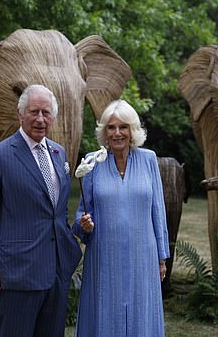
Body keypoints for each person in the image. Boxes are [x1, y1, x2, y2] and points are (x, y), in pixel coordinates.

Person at [0, 84, 83, 337]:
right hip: (18, 271)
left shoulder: (59, 153)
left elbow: (57, 210)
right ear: (20, 114)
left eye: (46, 113)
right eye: (34, 112)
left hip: (57, 270)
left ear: (53, 117)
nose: (40, 119)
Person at [72, 99, 170, 337]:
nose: (117, 133)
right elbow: (81, 216)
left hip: (143, 256)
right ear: (104, 132)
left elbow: (158, 210)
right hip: (104, 256)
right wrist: (84, 224)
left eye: (123, 127)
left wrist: (161, 258)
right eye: (111, 127)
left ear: (132, 131)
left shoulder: (148, 160)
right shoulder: (92, 162)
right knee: (105, 312)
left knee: (141, 313)